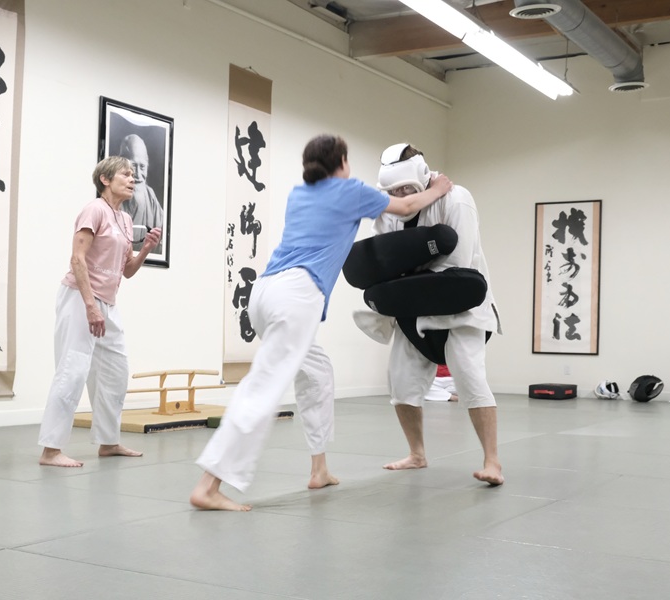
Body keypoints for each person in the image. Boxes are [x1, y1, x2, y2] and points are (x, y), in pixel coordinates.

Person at [190, 134, 453, 511]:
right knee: (263, 389)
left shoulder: (299, 193)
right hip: (296, 296)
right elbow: (408, 204)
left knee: (317, 373)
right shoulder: (350, 191)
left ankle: (320, 469)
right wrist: (439, 186)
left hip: (264, 293)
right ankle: (209, 485)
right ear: (342, 162)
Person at [372, 143, 503, 485]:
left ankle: (492, 461)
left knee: (470, 377)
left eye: (404, 189)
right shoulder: (388, 211)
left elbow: (457, 262)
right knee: (400, 381)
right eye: (393, 190)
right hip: (413, 306)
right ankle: (416, 454)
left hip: (461, 305)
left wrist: (408, 273)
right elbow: (387, 259)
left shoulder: (456, 198)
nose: (399, 195)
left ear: (421, 176)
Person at [38, 156, 163, 467]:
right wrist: (90, 306)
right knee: (73, 370)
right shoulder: (94, 209)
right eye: (126, 174)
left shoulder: (122, 218)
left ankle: (109, 442)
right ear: (106, 179)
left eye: (134, 175)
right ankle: (51, 450)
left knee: (115, 370)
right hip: (80, 299)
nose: (132, 179)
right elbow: (77, 259)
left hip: (107, 303)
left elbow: (128, 271)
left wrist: (146, 248)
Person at [119, 134, 164, 252]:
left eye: (142, 166)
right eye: (133, 166)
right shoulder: (113, 199)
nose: (138, 174)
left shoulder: (151, 196)